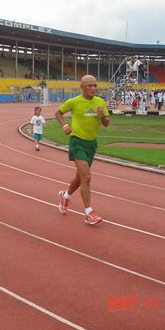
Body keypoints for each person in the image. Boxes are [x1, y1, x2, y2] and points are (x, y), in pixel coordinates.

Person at [55, 75, 110, 225]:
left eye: (95, 85)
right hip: (77, 142)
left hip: (91, 144)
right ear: (82, 87)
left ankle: (65, 196)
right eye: (90, 86)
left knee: (80, 178)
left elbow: (106, 123)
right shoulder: (74, 102)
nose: (93, 88)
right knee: (87, 177)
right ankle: (88, 213)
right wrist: (64, 126)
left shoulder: (100, 102)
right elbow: (58, 113)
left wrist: (102, 117)